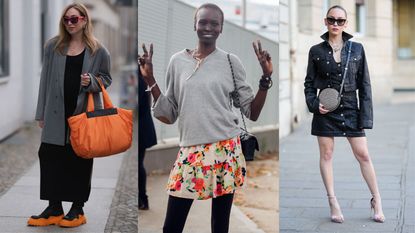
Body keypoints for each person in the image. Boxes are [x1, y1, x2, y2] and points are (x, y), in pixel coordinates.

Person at [138, 3, 273, 233]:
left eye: (214, 23)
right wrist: (150, 80)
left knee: (219, 226)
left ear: (221, 29)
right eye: (203, 22)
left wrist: (265, 78)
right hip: (190, 153)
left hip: (225, 149)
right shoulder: (177, 61)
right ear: (194, 25)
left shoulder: (231, 62)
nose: (208, 27)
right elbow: (168, 114)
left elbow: (252, 112)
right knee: (171, 227)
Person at [29, 3, 111, 228]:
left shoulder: (98, 50)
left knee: (80, 159)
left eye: (74, 19)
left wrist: (92, 82)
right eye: (66, 19)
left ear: (85, 20)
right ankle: (54, 207)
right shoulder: (53, 46)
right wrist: (40, 113)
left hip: (82, 113)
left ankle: (77, 209)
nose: (70, 23)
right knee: (49, 156)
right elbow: (44, 81)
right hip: (55, 113)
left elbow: (106, 78)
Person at [304, 5, 385, 223]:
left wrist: (365, 118)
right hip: (325, 109)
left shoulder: (357, 49)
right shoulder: (316, 51)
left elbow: (365, 85)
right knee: (327, 155)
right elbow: (309, 84)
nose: (336, 24)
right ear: (325, 21)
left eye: (340, 21)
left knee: (363, 155)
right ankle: (333, 201)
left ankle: (376, 200)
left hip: (350, 106)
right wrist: (313, 104)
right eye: (332, 20)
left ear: (346, 24)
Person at [138, 68, 157, 210]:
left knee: (138, 164)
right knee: (139, 164)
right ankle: (143, 199)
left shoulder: (140, 80)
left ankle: (142, 199)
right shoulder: (143, 79)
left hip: (141, 128)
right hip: (143, 127)